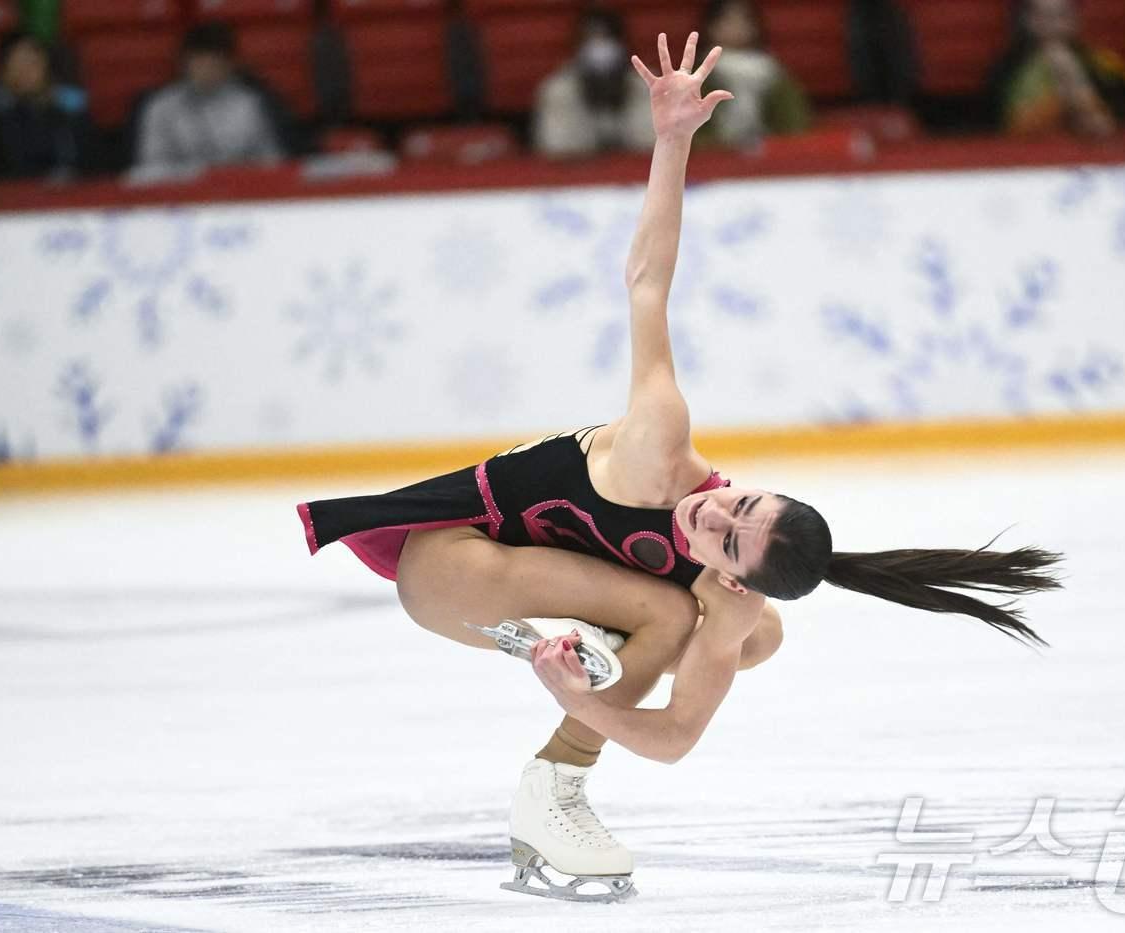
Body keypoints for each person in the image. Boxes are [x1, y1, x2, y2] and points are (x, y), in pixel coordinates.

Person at [297, 32, 1063, 903]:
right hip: (452, 567)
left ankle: (557, 764)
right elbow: (647, 283)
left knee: (747, 641)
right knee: (667, 611)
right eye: (742, 503)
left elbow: (671, 740)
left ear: (738, 573)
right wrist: (673, 141)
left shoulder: (735, 606)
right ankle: (561, 765)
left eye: (730, 542)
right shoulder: (664, 449)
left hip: (531, 597)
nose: (715, 517)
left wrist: (578, 698)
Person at [135, 22, 283, 175]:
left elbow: (270, 162)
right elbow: (150, 166)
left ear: (229, 65)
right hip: (180, 192)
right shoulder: (161, 107)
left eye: (214, 63)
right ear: (184, 64)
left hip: (238, 189)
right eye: (199, 62)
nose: (206, 70)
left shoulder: (249, 105)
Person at [988, 0, 1125, 138]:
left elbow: (1121, 121)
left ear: (1075, 19)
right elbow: (1001, 127)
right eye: (1044, 16)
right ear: (1027, 20)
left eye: (1062, 16)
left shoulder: (1104, 64)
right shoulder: (1007, 69)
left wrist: (1073, 79)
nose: (1054, 25)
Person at [0, 31, 98, 182]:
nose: (25, 71)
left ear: (46, 67)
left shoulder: (71, 113)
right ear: (3, 71)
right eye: (17, 63)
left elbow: (92, 167)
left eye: (32, 62)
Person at [533, 7, 656, 159]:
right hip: (577, 176)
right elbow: (557, 147)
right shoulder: (557, 89)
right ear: (577, 45)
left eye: (607, 38)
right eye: (592, 39)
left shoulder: (647, 84)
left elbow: (652, 143)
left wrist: (620, 91)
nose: (599, 48)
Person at [694, 0, 811, 148]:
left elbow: (794, 123)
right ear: (710, 27)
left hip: (765, 155)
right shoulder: (696, 76)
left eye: (743, 19)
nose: (736, 27)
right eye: (728, 20)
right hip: (714, 156)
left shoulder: (772, 71)